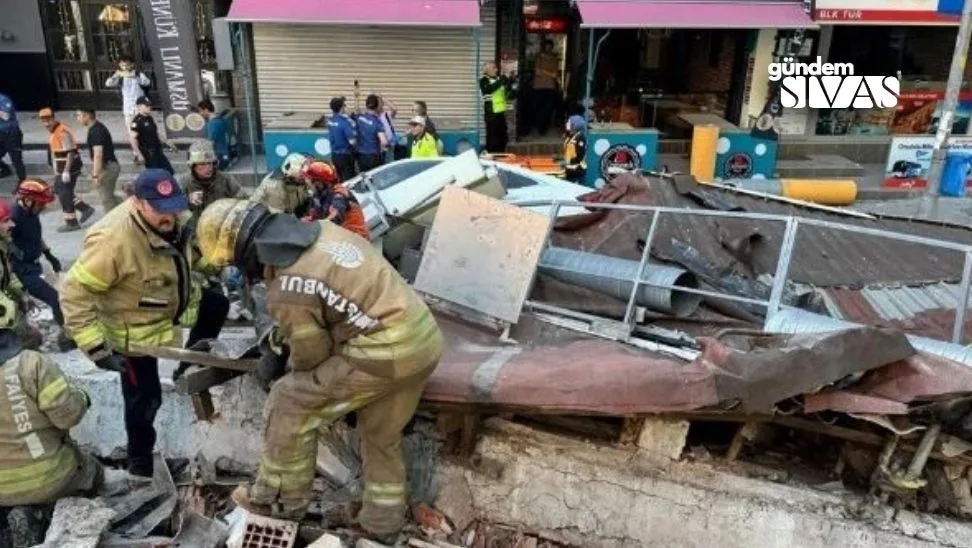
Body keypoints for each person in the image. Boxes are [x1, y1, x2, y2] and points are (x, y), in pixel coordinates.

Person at [195, 199, 443, 543]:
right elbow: (334, 303)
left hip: (383, 352)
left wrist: (284, 371)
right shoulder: (324, 231)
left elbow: (311, 356)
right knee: (380, 435)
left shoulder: (287, 284)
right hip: (423, 340)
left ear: (249, 253)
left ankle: (278, 503)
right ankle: (381, 522)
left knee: (290, 402)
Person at [60, 169, 229, 481]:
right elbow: (74, 292)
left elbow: (190, 254)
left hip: (170, 304)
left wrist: (217, 266)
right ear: (137, 203)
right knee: (144, 397)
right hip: (133, 330)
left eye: (173, 207)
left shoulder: (174, 219)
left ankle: (187, 369)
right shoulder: (113, 242)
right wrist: (97, 348)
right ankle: (140, 466)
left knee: (217, 303)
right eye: (160, 210)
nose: (169, 216)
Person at [0, 324, 103, 547]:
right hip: (47, 478)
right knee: (93, 472)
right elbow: (67, 417)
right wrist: (81, 397)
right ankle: (39, 514)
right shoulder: (32, 364)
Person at [9, 180, 73, 351]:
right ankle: (66, 339)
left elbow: (36, 237)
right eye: (41, 203)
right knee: (55, 299)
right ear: (28, 200)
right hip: (21, 270)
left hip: (32, 266)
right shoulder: (13, 218)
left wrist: (48, 254)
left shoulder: (31, 213)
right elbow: (5, 248)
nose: (44, 207)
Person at [281, 153, 370, 240]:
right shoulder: (318, 196)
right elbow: (313, 215)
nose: (306, 183)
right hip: (341, 237)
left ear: (318, 183)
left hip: (356, 239)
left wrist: (314, 225)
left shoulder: (339, 194)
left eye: (308, 180)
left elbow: (334, 218)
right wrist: (298, 223)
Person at [38, 108, 95, 233]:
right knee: (62, 191)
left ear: (53, 118)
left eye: (48, 120)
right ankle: (85, 209)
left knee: (64, 193)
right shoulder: (55, 131)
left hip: (69, 168)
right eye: (44, 121)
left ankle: (72, 222)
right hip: (63, 168)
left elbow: (70, 153)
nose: (46, 123)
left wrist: (66, 171)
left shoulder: (62, 132)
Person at [0, 200, 41, 351]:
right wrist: (21, 328)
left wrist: (22, 295)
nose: (12, 224)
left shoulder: (3, 245)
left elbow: (7, 277)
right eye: (5, 221)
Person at [177, 140, 246, 226]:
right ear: (192, 166)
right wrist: (188, 200)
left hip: (222, 228)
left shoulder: (225, 179)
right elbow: (174, 208)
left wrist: (229, 206)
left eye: (210, 163)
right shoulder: (184, 181)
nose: (208, 168)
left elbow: (243, 199)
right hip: (196, 231)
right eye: (202, 164)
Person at [104, 55, 152, 162]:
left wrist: (135, 76)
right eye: (122, 64)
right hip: (128, 109)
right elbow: (108, 84)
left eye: (127, 64)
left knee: (145, 130)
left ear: (132, 64)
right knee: (131, 131)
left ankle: (147, 149)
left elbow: (147, 82)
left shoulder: (138, 74)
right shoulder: (120, 76)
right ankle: (136, 153)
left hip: (141, 108)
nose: (125, 66)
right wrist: (115, 76)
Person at [77, 108, 122, 213]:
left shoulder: (96, 131)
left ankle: (112, 223)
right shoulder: (95, 128)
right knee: (109, 196)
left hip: (108, 167)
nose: (77, 118)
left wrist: (95, 175)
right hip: (107, 166)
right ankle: (128, 209)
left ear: (87, 115)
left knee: (106, 199)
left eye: (79, 115)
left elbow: (98, 155)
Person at [130, 96, 177, 174]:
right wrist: (139, 154)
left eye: (150, 105)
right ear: (139, 107)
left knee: (169, 172)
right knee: (156, 175)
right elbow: (132, 139)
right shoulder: (137, 121)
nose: (149, 107)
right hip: (150, 154)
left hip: (158, 151)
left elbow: (155, 133)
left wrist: (168, 142)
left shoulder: (149, 118)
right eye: (147, 105)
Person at [479, 62, 512, 153]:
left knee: (503, 137)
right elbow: (488, 90)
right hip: (491, 114)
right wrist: (501, 81)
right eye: (494, 68)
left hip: (501, 113)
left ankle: (502, 154)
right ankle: (492, 155)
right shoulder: (483, 80)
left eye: (496, 68)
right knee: (493, 138)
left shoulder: (498, 79)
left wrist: (509, 85)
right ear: (487, 70)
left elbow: (506, 94)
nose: (496, 70)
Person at [531, 39, 560, 135]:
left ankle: (543, 129)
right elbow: (537, 72)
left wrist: (543, 71)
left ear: (552, 48)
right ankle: (538, 126)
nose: (548, 49)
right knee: (537, 108)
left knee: (547, 109)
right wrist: (549, 72)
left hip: (550, 87)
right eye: (546, 47)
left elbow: (555, 75)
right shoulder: (538, 58)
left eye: (549, 47)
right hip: (538, 87)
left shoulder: (554, 59)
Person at [195, 99, 233, 170]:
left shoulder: (213, 124)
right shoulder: (220, 120)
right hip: (224, 154)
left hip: (218, 157)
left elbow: (210, 143)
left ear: (206, 110)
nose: (199, 114)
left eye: (200, 111)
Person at [327, 97, 357, 182]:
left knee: (340, 179)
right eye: (344, 105)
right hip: (345, 156)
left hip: (334, 155)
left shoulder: (330, 121)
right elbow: (352, 142)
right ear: (341, 108)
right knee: (349, 181)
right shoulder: (345, 123)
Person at [356, 95, 387, 173]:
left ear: (366, 105)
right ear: (377, 107)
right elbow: (384, 141)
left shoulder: (359, 118)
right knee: (374, 178)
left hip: (361, 154)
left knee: (363, 178)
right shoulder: (377, 122)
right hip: (373, 155)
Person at [0, 93, 26, 182]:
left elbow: (6, 117)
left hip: (11, 134)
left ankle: (23, 181)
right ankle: (5, 170)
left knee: (16, 159)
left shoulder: (3, 100)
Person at [563, 114, 588, 183]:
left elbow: (580, 155)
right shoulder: (569, 135)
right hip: (569, 170)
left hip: (577, 171)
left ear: (575, 125)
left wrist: (571, 165)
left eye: (569, 122)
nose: (567, 124)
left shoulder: (580, 138)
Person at [379, 96, 401, 162]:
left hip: (390, 145)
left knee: (389, 163)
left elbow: (394, 109)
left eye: (381, 103)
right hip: (379, 147)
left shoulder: (386, 114)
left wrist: (383, 99)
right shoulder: (373, 116)